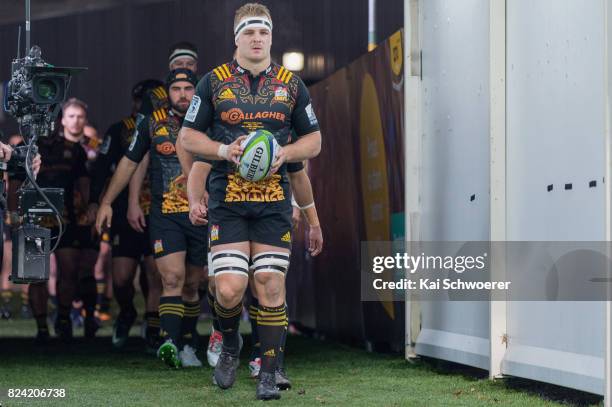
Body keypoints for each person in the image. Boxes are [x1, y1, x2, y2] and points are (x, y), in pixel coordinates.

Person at [179, 3, 321, 400]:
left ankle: (269, 372)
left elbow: (315, 140)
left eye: (263, 32)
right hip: (228, 203)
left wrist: (285, 153)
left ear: (272, 37)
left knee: (269, 283)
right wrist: (224, 151)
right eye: (249, 32)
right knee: (228, 290)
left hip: (275, 203)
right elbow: (188, 138)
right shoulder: (213, 82)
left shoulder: (292, 85)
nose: (257, 39)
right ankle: (228, 344)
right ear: (236, 37)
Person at [96, 69, 207, 368]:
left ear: (196, 91)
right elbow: (130, 162)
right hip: (165, 214)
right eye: (176, 89)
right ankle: (169, 343)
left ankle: (188, 342)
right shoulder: (151, 122)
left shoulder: (210, 119)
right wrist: (107, 201)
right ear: (167, 93)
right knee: (170, 278)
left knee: (193, 285)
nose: (182, 94)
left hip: (201, 214)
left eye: (188, 88)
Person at [89, 79, 164, 350]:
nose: (145, 105)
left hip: (159, 209)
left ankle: (153, 325)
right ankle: (127, 311)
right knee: (121, 277)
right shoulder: (119, 130)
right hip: (124, 211)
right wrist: (96, 202)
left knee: (155, 273)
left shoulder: (169, 126)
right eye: (141, 100)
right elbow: (100, 168)